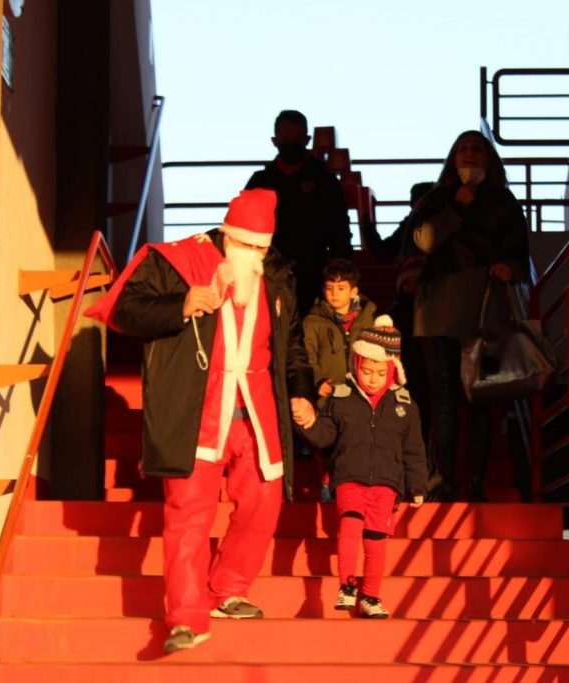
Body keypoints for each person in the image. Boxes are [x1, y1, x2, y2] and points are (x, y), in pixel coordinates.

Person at [84, 188, 316, 653]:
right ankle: (185, 618)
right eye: (247, 246)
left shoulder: (276, 275)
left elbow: (290, 345)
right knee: (189, 514)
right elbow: (122, 308)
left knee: (264, 504)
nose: (255, 257)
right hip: (198, 409)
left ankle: (226, 589)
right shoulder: (176, 261)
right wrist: (180, 305)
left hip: (256, 411)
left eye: (262, 249)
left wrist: (302, 391)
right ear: (228, 236)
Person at [406, 130, 530, 502]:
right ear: (453, 157)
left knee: (481, 398)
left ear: (489, 158)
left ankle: (475, 485)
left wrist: (509, 267)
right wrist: (456, 207)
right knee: (442, 397)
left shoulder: (504, 202)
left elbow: (520, 255)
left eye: (477, 148)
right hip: (438, 310)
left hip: (485, 311)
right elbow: (423, 241)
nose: (470, 154)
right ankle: (443, 481)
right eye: (463, 148)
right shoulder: (435, 199)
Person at [298, 315, 428, 619]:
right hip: (350, 477)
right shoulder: (342, 398)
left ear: (392, 370)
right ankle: (347, 585)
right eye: (366, 371)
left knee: (375, 540)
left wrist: (418, 485)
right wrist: (307, 423)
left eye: (380, 373)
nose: (372, 378)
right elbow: (326, 434)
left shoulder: (405, 405)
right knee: (350, 524)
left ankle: (370, 595)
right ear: (356, 364)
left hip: (386, 482)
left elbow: (413, 449)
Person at [246, 109, 352, 313]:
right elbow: (244, 228)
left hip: (314, 272)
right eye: (286, 138)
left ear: (307, 140)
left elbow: (340, 230)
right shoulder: (260, 181)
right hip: (268, 270)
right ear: (274, 140)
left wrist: (343, 270)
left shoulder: (326, 180)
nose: (291, 142)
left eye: (296, 138)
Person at [303, 258, 377, 405]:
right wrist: (318, 380)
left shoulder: (368, 319)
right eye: (329, 288)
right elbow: (307, 356)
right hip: (329, 395)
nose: (334, 293)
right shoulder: (312, 322)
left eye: (341, 288)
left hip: (361, 395)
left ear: (353, 292)